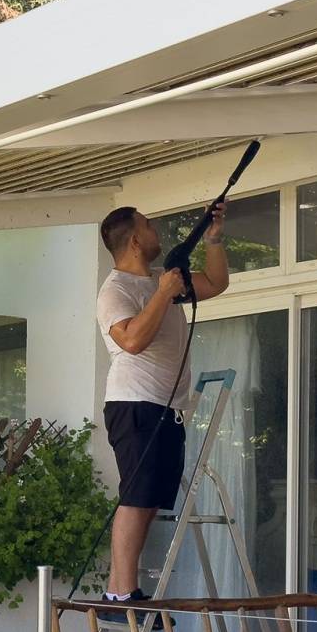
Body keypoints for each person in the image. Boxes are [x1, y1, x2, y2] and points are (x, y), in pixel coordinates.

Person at [95, 203, 229, 611]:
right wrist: (164, 294)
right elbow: (132, 340)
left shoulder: (161, 279)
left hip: (166, 408)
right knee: (136, 497)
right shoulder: (115, 290)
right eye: (149, 226)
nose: (157, 232)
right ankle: (122, 592)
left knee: (150, 499)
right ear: (135, 240)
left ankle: (121, 588)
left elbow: (216, 284)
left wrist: (214, 239)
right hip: (135, 404)